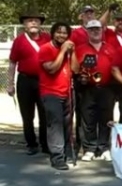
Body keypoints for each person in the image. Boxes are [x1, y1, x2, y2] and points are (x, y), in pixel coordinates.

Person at [7, 11, 50, 155]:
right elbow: (13, 63)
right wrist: (10, 83)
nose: (33, 23)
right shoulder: (19, 41)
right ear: (24, 25)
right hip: (25, 80)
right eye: (30, 20)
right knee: (27, 114)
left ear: (40, 24)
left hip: (44, 81)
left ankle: (45, 144)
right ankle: (31, 143)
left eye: (36, 20)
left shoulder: (47, 38)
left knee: (45, 113)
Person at [38, 22, 79, 171]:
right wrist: (62, 52)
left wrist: (72, 52)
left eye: (65, 33)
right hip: (50, 92)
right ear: (53, 33)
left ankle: (67, 151)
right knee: (55, 124)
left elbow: (76, 69)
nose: (62, 35)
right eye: (58, 32)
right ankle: (56, 157)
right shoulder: (45, 49)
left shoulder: (69, 50)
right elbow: (52, 69)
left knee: (67, 124)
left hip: (67, 91)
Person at [76, 20, 115, 162]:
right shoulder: (80, 49)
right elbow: (75, 68)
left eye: (97, 29)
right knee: (88, 119)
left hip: (107, 88)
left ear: (102, 30)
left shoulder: (110, 48)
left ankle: (104, 147)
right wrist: (81, 78)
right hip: (88, 89)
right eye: (92, 29)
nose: (95, 31)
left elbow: (116, 68)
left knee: (106, 119)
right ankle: (89, 148)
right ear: (87, 31)